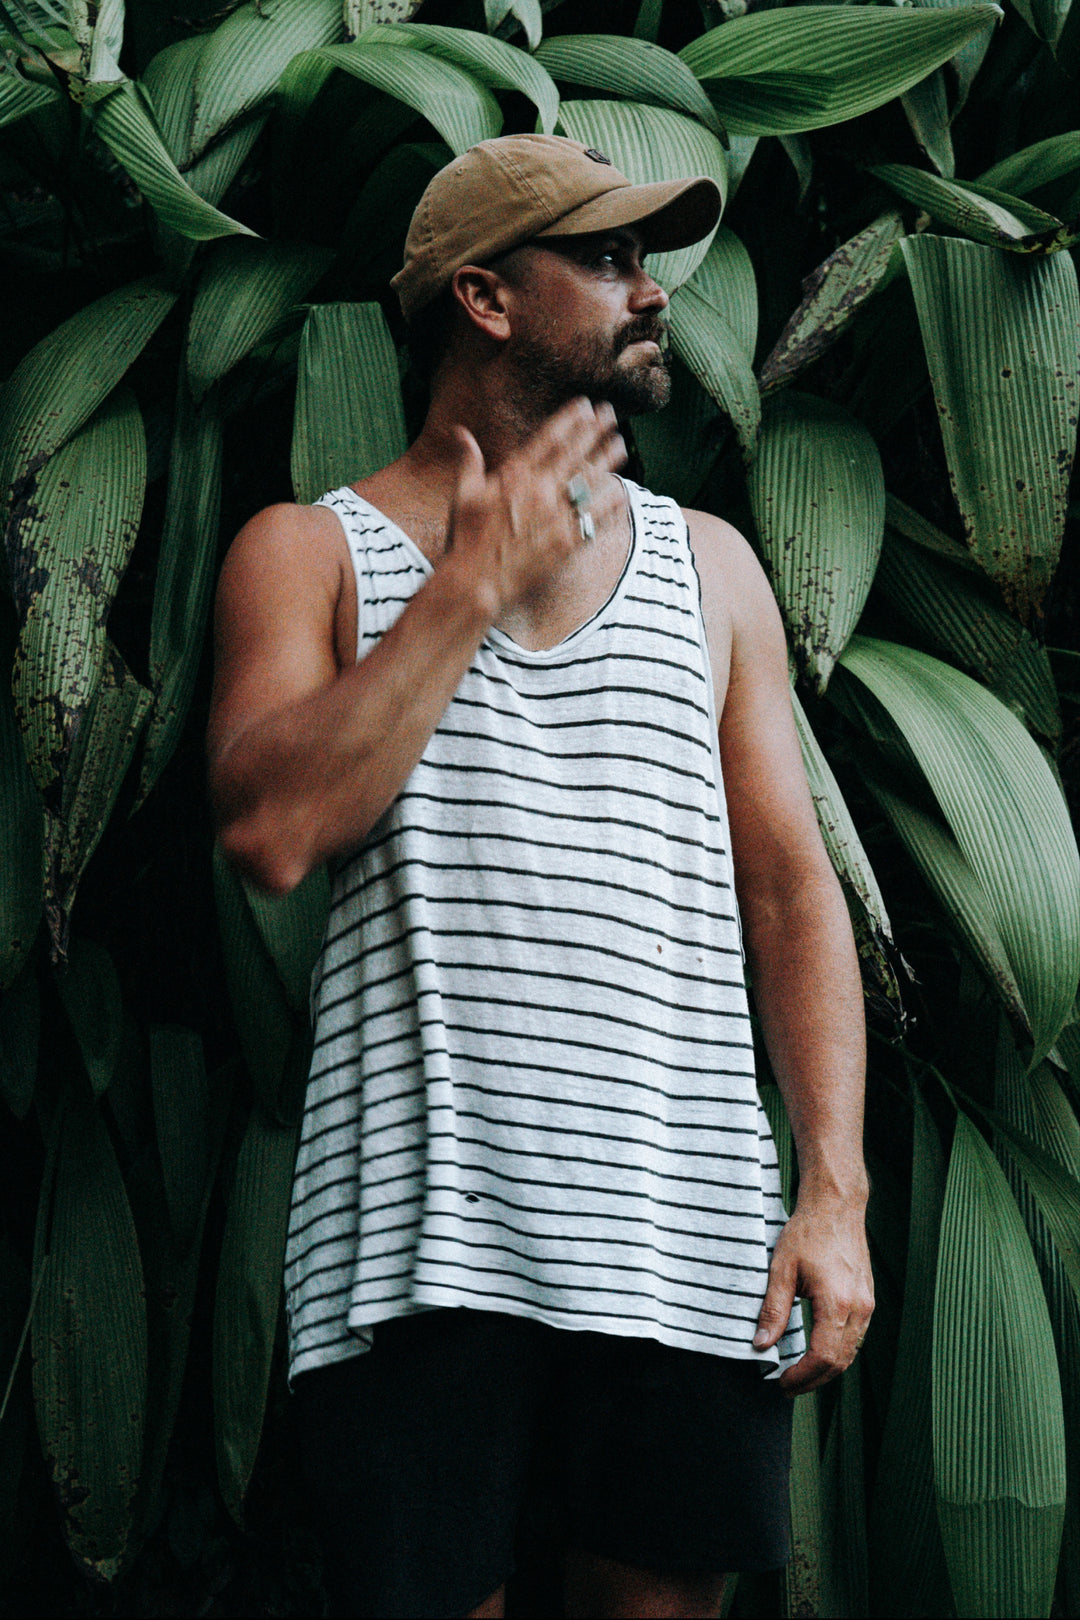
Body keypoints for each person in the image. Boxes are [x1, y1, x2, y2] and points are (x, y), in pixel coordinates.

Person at [207, 134, 874, 1620]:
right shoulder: (307, 554)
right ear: (485, 299)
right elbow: (270, 831)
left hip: (680, 1255)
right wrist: (465, 591)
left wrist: (833, 1188)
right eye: (614, 261)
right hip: (416, 1265)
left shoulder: (713, 569)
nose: (654, 296)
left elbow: (791, 893)